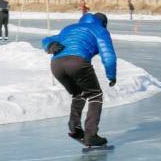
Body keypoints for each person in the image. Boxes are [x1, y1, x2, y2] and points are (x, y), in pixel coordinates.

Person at [41, 13, 117, 147]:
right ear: (103, 23)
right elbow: (107, 54)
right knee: (95, 95)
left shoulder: (69, 28)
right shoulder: (100, 30)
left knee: (78, 93)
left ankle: (75, 127)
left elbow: (46, 39)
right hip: (77, 62)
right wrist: (111, 75)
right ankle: (91, 135)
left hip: (56, 65)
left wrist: (50, 46)